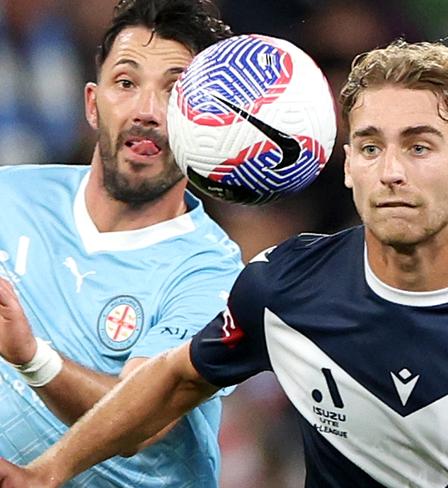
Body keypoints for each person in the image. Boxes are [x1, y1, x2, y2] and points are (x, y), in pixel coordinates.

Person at [0, 39, 448, 487]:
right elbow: (175, 378)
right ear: (347, 166)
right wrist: (49, 470)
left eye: (420, 146)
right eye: (371, 147)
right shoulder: (285, 285)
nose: (392, 172)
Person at [0, 0, 242, 486]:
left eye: (176, 90)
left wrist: (31, 356)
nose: (147, 111)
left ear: (207, 120)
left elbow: (145, 421)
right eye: (127, 83)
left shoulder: (213, 272)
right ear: (92, 103)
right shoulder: (10, 196)